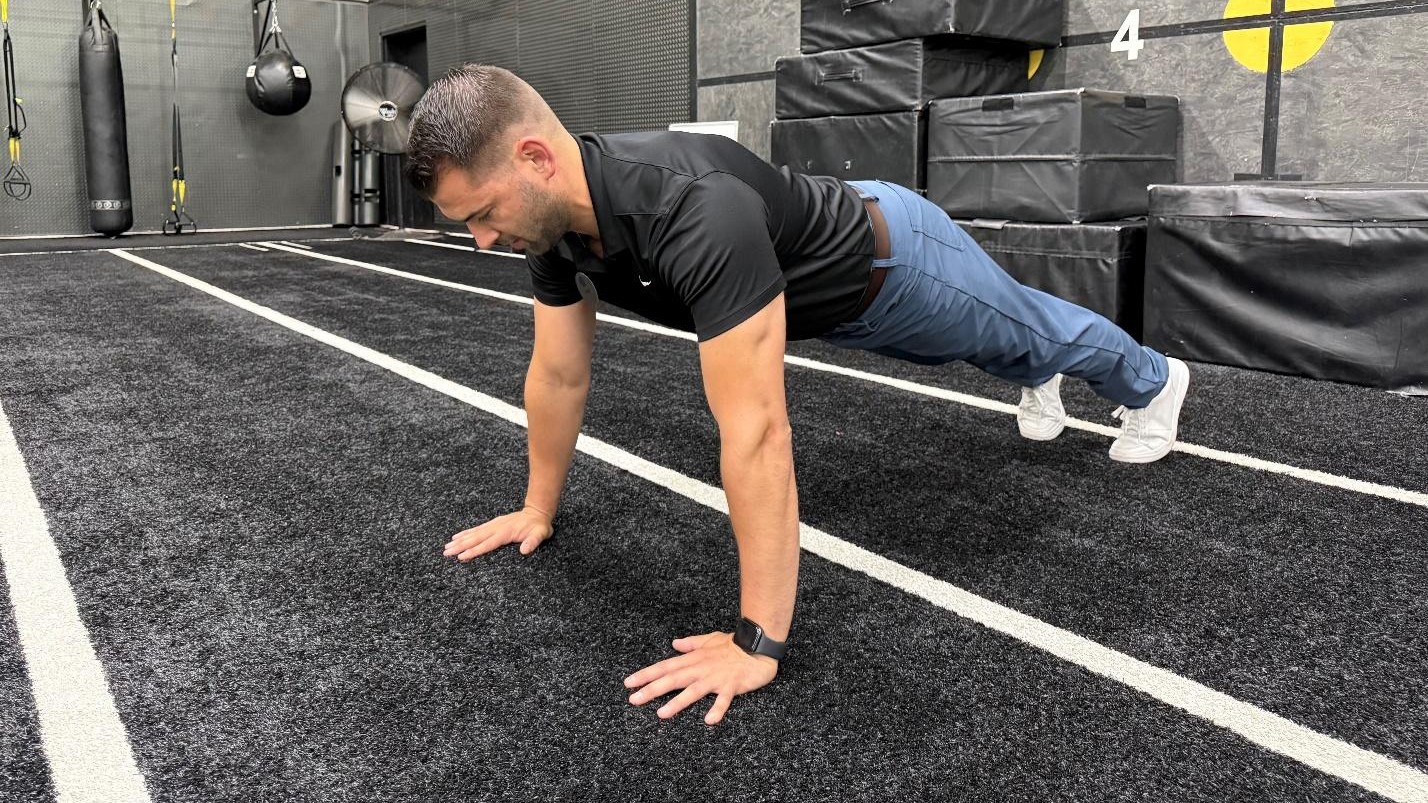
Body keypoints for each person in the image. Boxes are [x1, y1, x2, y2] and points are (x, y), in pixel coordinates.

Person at [404, 65, 1190, 727]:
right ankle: (1030, 368)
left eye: (481, 215)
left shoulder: (690, 206)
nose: (480, 241)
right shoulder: (555, 230)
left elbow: (757, 432)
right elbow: (558, 374)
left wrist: (757, 642)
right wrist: (537, 508)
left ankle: (1153, 381)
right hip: (827, 305)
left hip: (898, 267)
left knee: (1031, 331)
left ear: (536, 158)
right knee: (1002, 347)